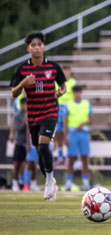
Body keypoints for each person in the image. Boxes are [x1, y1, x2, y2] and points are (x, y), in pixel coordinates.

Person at [10, 30, 66, 201]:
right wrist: (23, 84)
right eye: (33, 45)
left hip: (50, 112)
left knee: (43, 146)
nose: (36, 48)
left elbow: (63, 86)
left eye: (39, 45)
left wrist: (61, 91)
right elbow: (13, 93)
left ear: (44, 47)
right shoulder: (22, 69)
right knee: (40, 151)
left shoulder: (53, 67)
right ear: (28, 48)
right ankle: (51, 181)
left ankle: (49, 181)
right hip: (33, 116)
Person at [63, 85, 93, 191]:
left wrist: (83, 124)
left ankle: (86, 183)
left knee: (85, 158)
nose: (77, 94)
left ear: (81, 92)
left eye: (78, 91)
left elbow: (91, 120)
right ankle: (68, 182)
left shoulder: (86, 104)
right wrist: (65, 136)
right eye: (75, 91)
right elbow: (65, 121)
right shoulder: (68, 104)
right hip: (72, 133)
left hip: (84, 133)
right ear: (73, 93)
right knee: (71, 159)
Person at [54, 65, 76, 164]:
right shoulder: (56, 82)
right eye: (64, 72)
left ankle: (68, 156)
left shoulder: (74, 83)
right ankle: (60, 155)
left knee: (68, 132)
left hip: (69, 110)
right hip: (58, 107)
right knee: (59, 132)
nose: (65, 74)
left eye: (67, 72)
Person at [11, 98, 29, 192]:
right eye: (24, 104)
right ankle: (14, 182)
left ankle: (24, 183)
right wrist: (24, 121)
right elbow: (18, 129)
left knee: (26, 164)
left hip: (28, 143)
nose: (25, 107)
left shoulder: (30, 114)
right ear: (21, 105)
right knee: (17, 164)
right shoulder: (18, 116)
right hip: (19, 142)